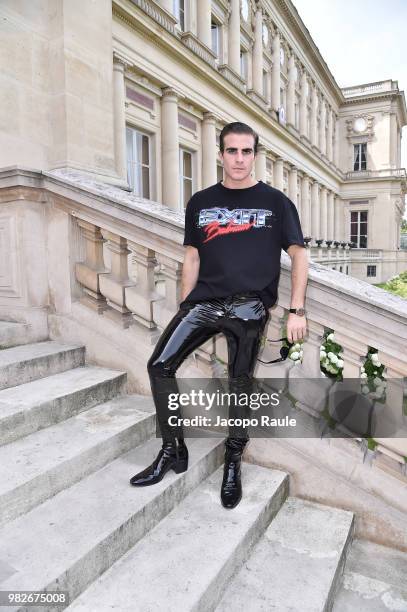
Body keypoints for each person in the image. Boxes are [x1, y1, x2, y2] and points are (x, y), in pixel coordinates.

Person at [130, 121, 308, 509]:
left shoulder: (275, 202)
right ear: (222, 154)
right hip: (204, 303)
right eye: (232, 151)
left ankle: (232, 460)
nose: (239, 159)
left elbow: (299, 254)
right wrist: (185, 305)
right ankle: (173, 450)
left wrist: (296, 310)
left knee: (239, 383)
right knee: (160, 365)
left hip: (249, 308)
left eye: (247, 151)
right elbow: (191, 256)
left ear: (255, 155)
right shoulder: (201, 201)